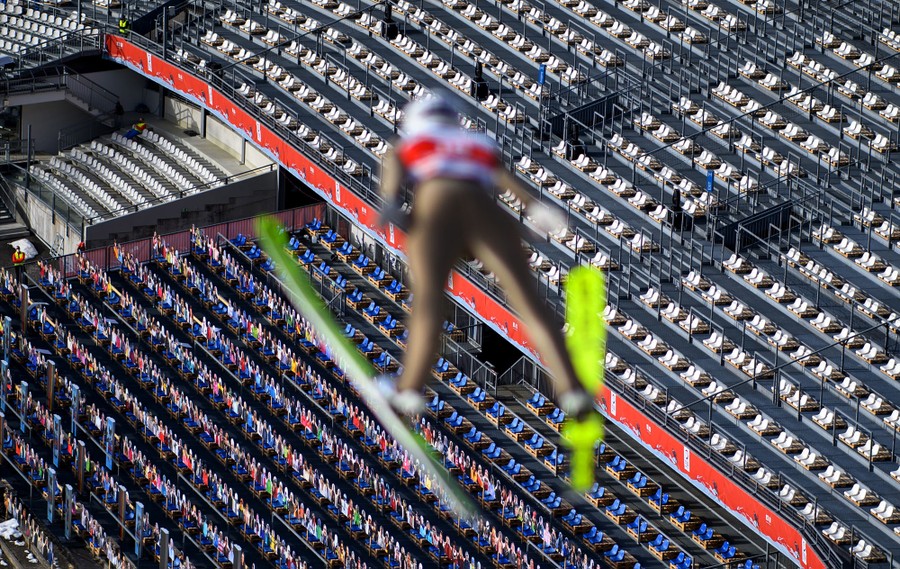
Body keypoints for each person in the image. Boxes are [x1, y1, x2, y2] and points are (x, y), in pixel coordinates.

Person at [377, 93, 593, 419]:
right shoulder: (477, 143)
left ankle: (409, 390)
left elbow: (393, 173)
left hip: (438, 208)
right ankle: (573, 390)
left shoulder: (411, 144)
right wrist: (535, 208)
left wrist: (391, 203)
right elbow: (507, 182)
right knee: (529, 303)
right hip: (487, 214)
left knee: (429, 304)